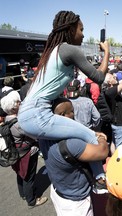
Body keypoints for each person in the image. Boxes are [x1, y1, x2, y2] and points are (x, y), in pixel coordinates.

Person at [17, 11, 109, 178]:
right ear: (70, 29)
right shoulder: (69, 50)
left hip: (29, 113)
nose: (83, 34)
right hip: (38, 114)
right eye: (81, 29)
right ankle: (100, 180)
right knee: (91, 137)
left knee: (77, 138)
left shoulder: (53, 50)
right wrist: (107, 52)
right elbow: (99, 77)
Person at [39, 97, 109, 215]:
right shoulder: (72, 143)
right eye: (71, 111)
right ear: (62, 114)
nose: (74, 113)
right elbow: (102, 152)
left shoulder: (42, 134)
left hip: (59, 191)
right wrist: (101, 139)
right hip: (76, 204)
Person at [1, 90, 48, 208]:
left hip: (15, 152)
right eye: (18, 102)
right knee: (29, 177)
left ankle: (23, 194)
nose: (20, 103)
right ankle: (32, 200)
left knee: (20, 173)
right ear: (13, 108)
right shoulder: (19, 123)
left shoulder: (6, 119)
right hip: (26, 153)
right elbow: (34, 136)